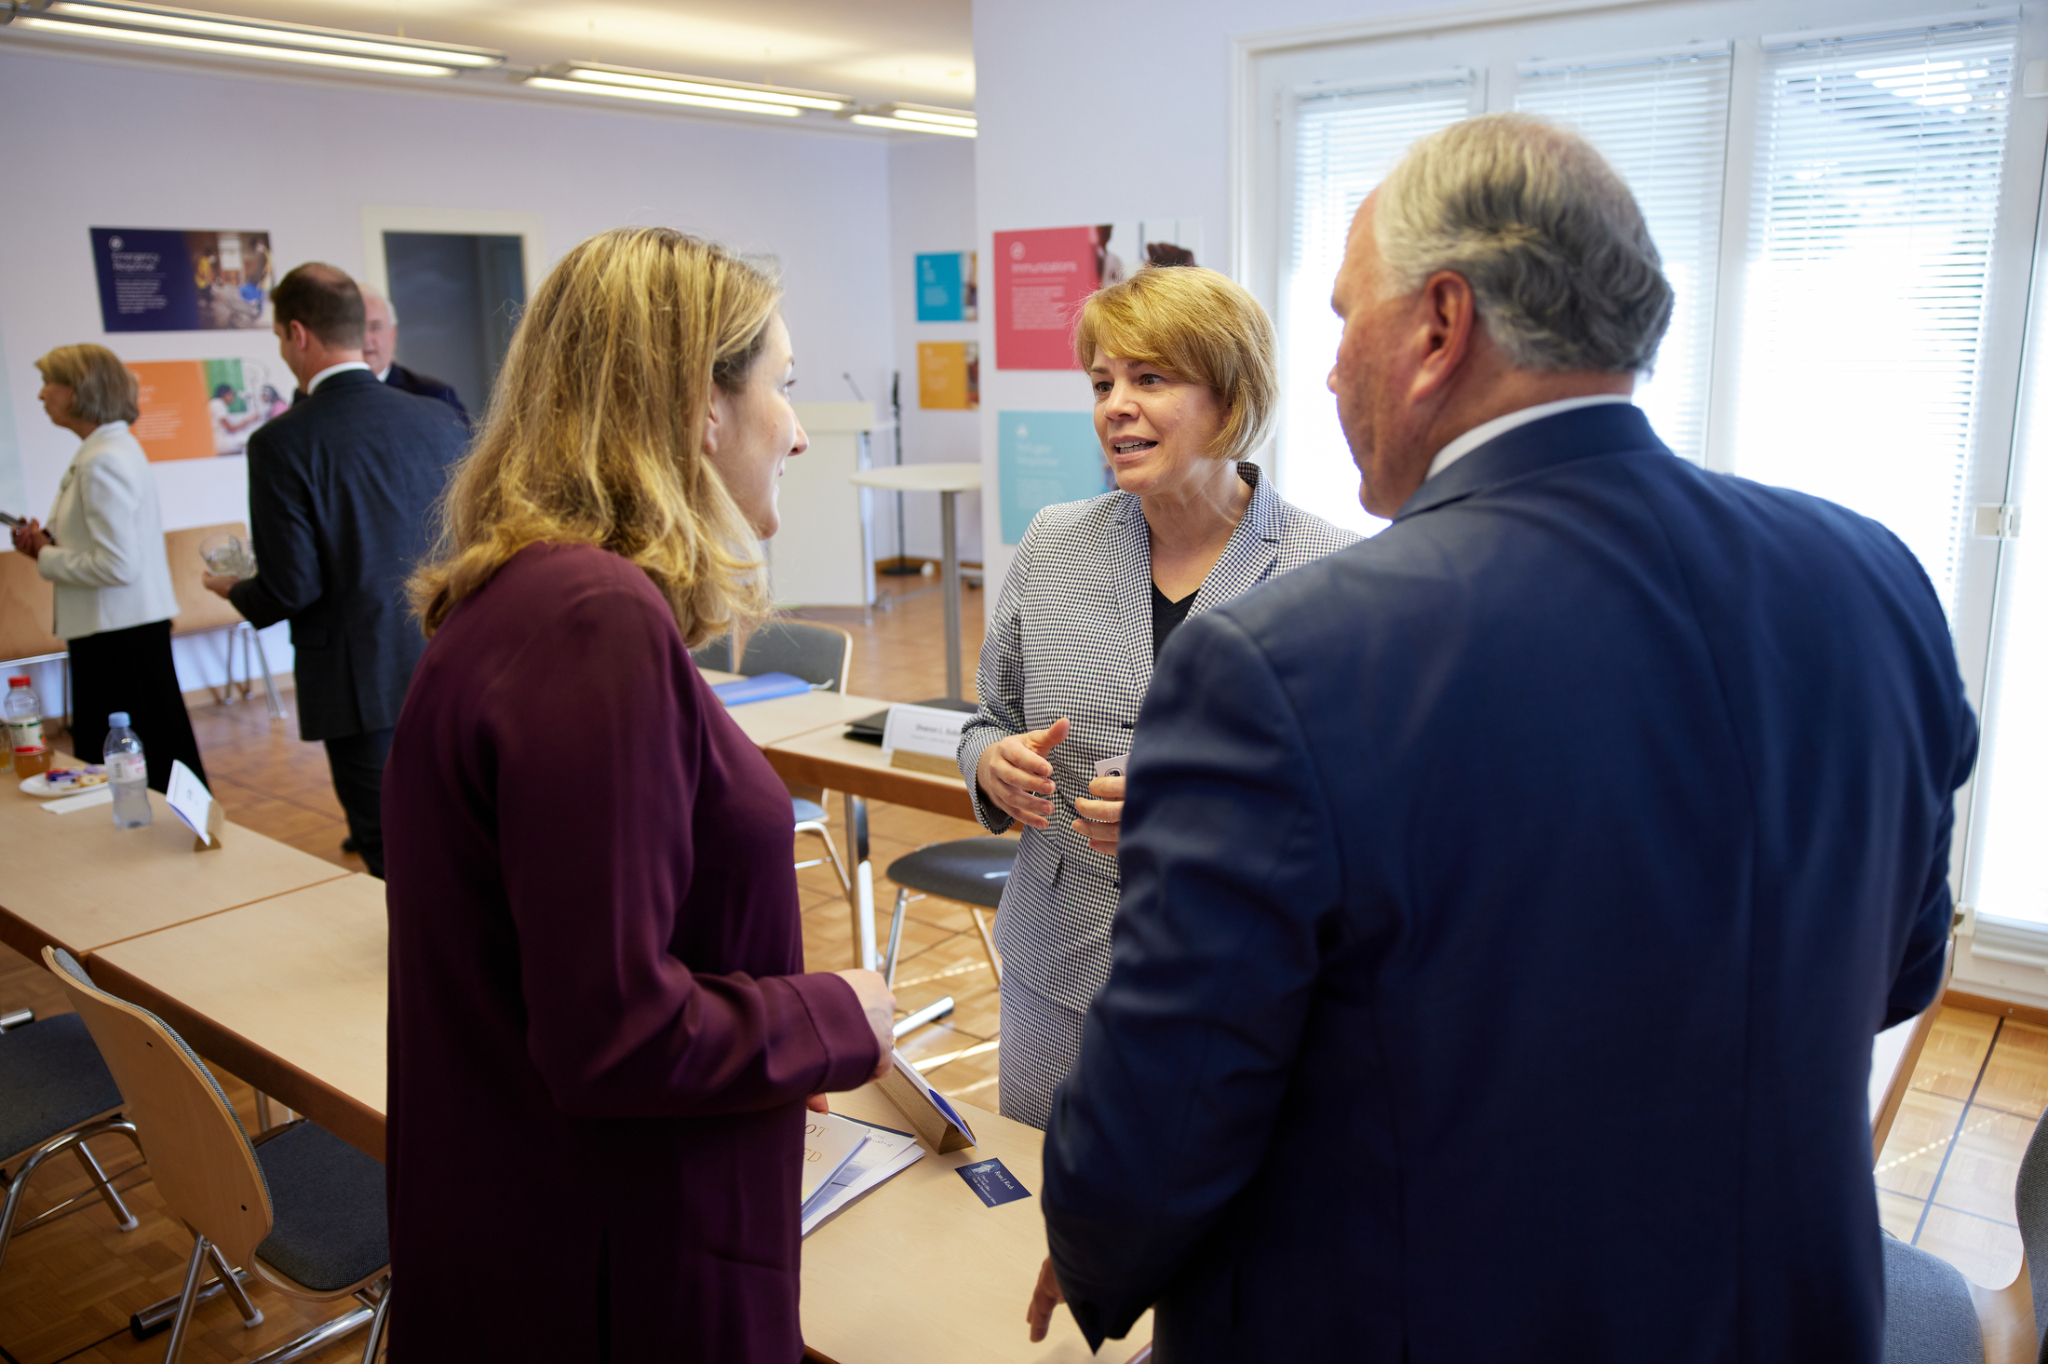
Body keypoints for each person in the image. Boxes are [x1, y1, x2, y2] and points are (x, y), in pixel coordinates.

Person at [1029, 112, 1980, 1360]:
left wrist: (1094, 1251)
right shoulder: (1870, 577)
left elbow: (1168, 1116)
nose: (1321, 373)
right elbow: (1901, 970)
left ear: (1436, 325)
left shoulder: (1284, 658)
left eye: (1337, 319)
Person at [381, 226, 896, 1362]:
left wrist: (764, 1047)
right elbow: (614, 1034)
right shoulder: (593, 618)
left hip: (538, 1223)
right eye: (784, 387)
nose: (799, 431)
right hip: (612, 1263)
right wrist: (830, 1017)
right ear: (697, 407)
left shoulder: (520, 595)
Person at [956, 265, 1355, 1131]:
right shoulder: (1056, 543)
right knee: (1040, 1226)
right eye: (1103, 382)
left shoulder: (1332, 573)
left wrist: (1198, 812)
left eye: (1150, 378)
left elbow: (1363, 807)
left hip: (1241, 990)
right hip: (1054, 972)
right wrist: (988, 763)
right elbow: (988, 715)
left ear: (1232, 395)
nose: (1114, 405)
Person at [201, 263, 466, 878]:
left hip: (357, 682)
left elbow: (293, 585)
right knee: (458, 837)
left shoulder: (282, 443)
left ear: (297, 334)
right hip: (449, 663)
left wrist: (235, 590)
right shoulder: (441, 420)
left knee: (388, 851)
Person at [12, 345, 206, 791]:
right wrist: (49, 545)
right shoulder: (105, 449)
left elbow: (118, 564)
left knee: (142, 760)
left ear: (78, 390)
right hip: (117, 630)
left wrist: (45, 554)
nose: (41, 395)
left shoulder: (103, 459)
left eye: (49, 384)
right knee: (152, 754)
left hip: (117, 637)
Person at [360, 287, 470, 426]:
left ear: (393, 333)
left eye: (375, 327)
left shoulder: (434, 397)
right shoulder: (332, 399)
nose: (366, 338)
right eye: (357, 329)